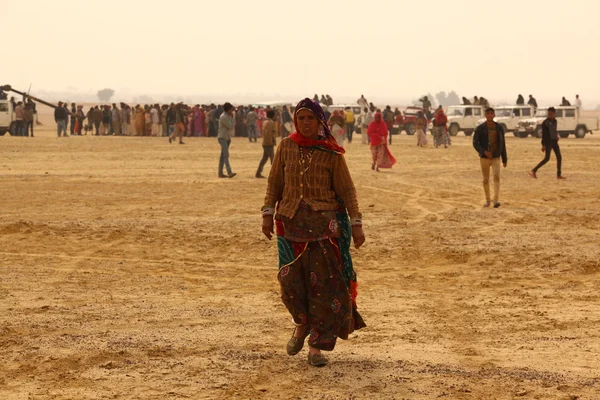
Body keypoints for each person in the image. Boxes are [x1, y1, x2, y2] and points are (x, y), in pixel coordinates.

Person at [261, 98, 366, 367]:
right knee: (290, 283)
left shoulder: (332, 153)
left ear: (320, 122)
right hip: (289, 224)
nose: (305, 123)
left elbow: (347, 190)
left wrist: (356, 223)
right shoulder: (286, 146)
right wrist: (267, 213)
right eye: (301, 118)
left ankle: (316, 346)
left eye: (310, 119)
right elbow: (275, 182)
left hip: (324, 226)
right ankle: (300, 323)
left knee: (324, 286)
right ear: (295, 121)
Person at [473, 108, 508, 208]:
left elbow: (502, 143)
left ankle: (495, 200)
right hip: (484, 158)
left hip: (496, 157)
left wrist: (504, 158)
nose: (489, 115)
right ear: (485, 115)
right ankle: (488, 200)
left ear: (494, 115)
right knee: (485, 179)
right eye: (487, 113)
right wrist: (483, 151)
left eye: (491, 113)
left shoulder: (499, 128)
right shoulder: (480, 128)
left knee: (496, 178)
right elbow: (475, 142)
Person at [529, 107, 566, 180]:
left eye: (551, 114)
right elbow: (544, 135)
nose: (550, 115)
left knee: (559, 157)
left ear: (554, 114)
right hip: (548, 142)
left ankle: (559, 175)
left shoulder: (555, 121)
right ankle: (533, 171)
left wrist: (557, 135)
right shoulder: (545, 123)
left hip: (555, 142)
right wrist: (543, 145)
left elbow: (554, 130)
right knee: (546, 158)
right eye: (549, 114)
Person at [216, 102, 236, 178]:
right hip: (222, 137)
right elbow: (230, 126)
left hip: (226, 137)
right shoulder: (224, 116)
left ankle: (220, 173)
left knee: (222, 156)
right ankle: (229, 172)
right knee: (226, 155)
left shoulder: (227, 116)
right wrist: (233, 118)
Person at [256, 110, 277, 178]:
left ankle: (258, 173)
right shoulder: (270, 123)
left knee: (264, 159)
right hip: (268, 144)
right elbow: (269, 134)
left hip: (265, 143)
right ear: (273, 116)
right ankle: (275, 175)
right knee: (273, 160)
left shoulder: (265, 122)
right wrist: (271, 142)